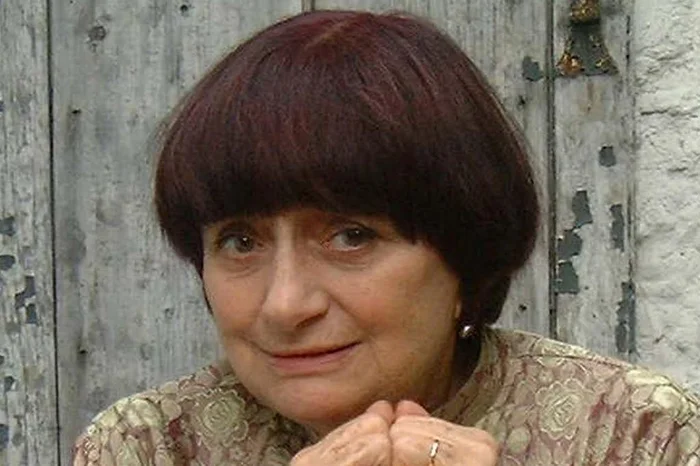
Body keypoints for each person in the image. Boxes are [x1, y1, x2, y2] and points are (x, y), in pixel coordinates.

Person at [72, 10, 700, 466]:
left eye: (351, 236)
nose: (285, 306)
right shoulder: (149, 446)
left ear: (467, 259)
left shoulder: (630, 434)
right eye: (240, 243)